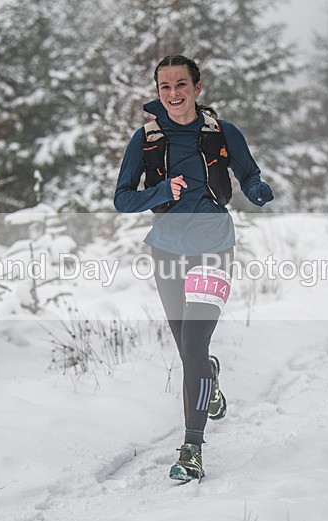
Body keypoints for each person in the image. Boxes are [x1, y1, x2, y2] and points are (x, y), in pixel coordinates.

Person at [114, 55, 274, 481]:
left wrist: (258, 190)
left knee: (195, 347)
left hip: (214, 245)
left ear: (197, 88)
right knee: (189, 350)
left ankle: (192, 448)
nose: (173, 94)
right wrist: (162, 190)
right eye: (164, 86)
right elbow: (123, 199)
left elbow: (248, 174)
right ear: (157, 91)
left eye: (181, 84)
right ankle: (210, 375)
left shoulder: (222, 132)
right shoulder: (145, 138)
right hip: (167, 247)